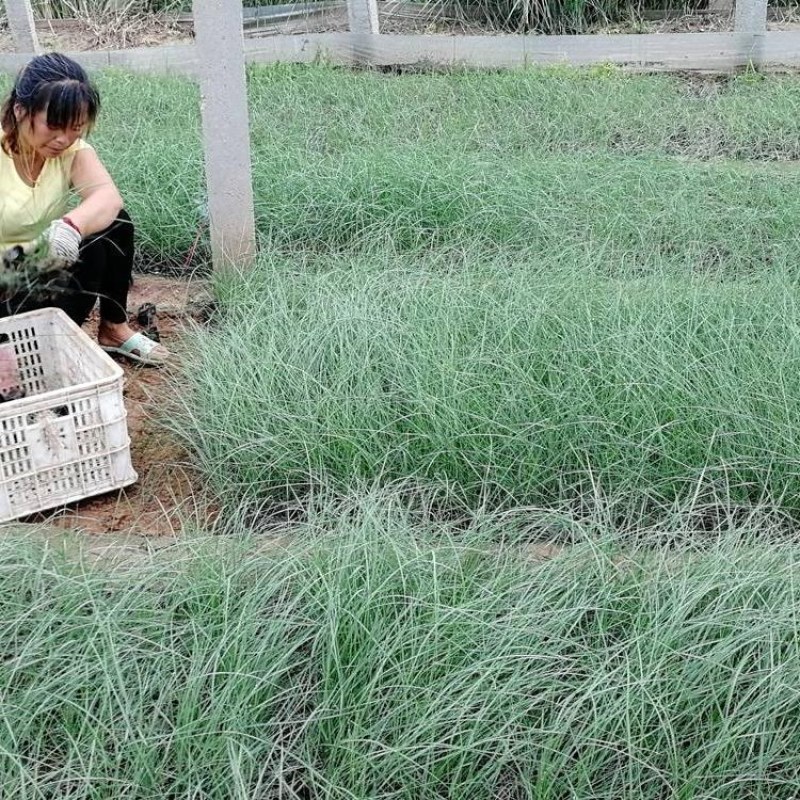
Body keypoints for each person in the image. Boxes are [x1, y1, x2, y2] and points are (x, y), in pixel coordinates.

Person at [0, 51, 169, 367]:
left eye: (76, 127)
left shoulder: (71, 150)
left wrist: (70, 227)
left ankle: (113, 328)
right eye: (54, 125)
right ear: (21, 110)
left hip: (40, 272)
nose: (64, 139)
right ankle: (36, 350)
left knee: (113, 224)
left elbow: (107, 196)